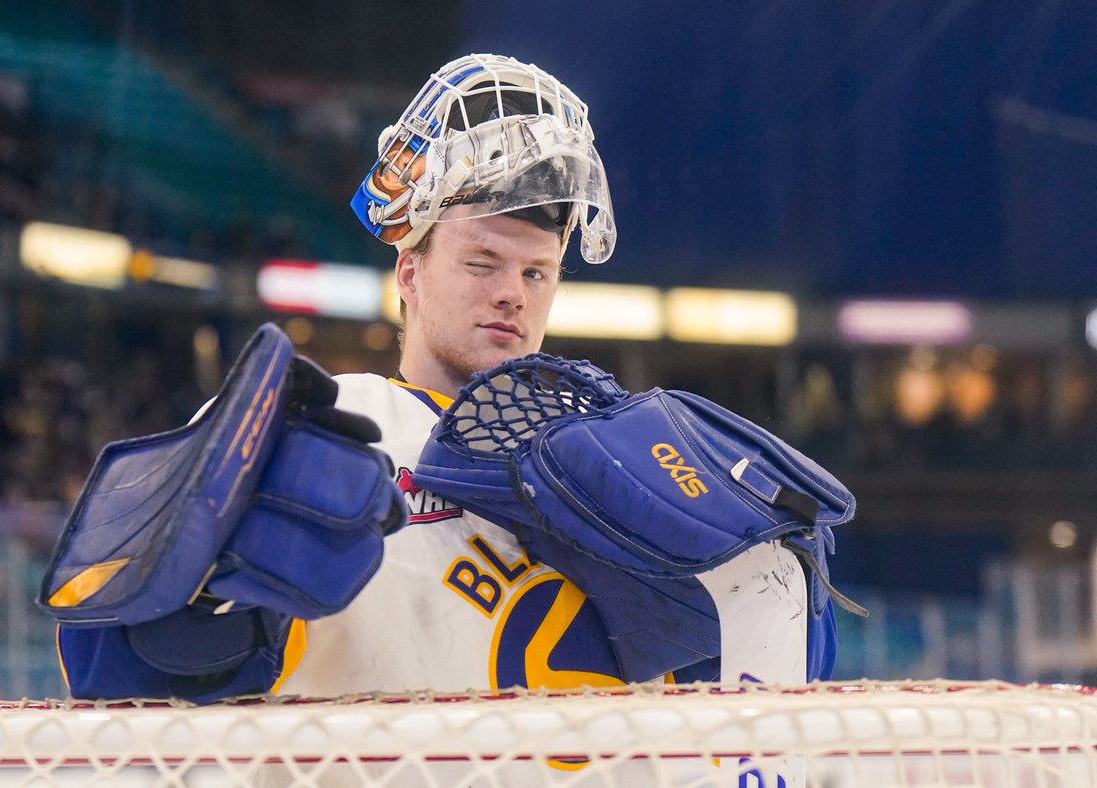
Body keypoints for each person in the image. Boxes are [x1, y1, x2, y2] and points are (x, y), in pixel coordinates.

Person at [43, 54, 831, 704]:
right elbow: (104, 662)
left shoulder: (630, 467)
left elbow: (762, 688)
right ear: (409, 271)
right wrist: (200, 613)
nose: (512, 295)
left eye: (538, 273)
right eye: (482, 262)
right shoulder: (325, 425)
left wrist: (772, 587)